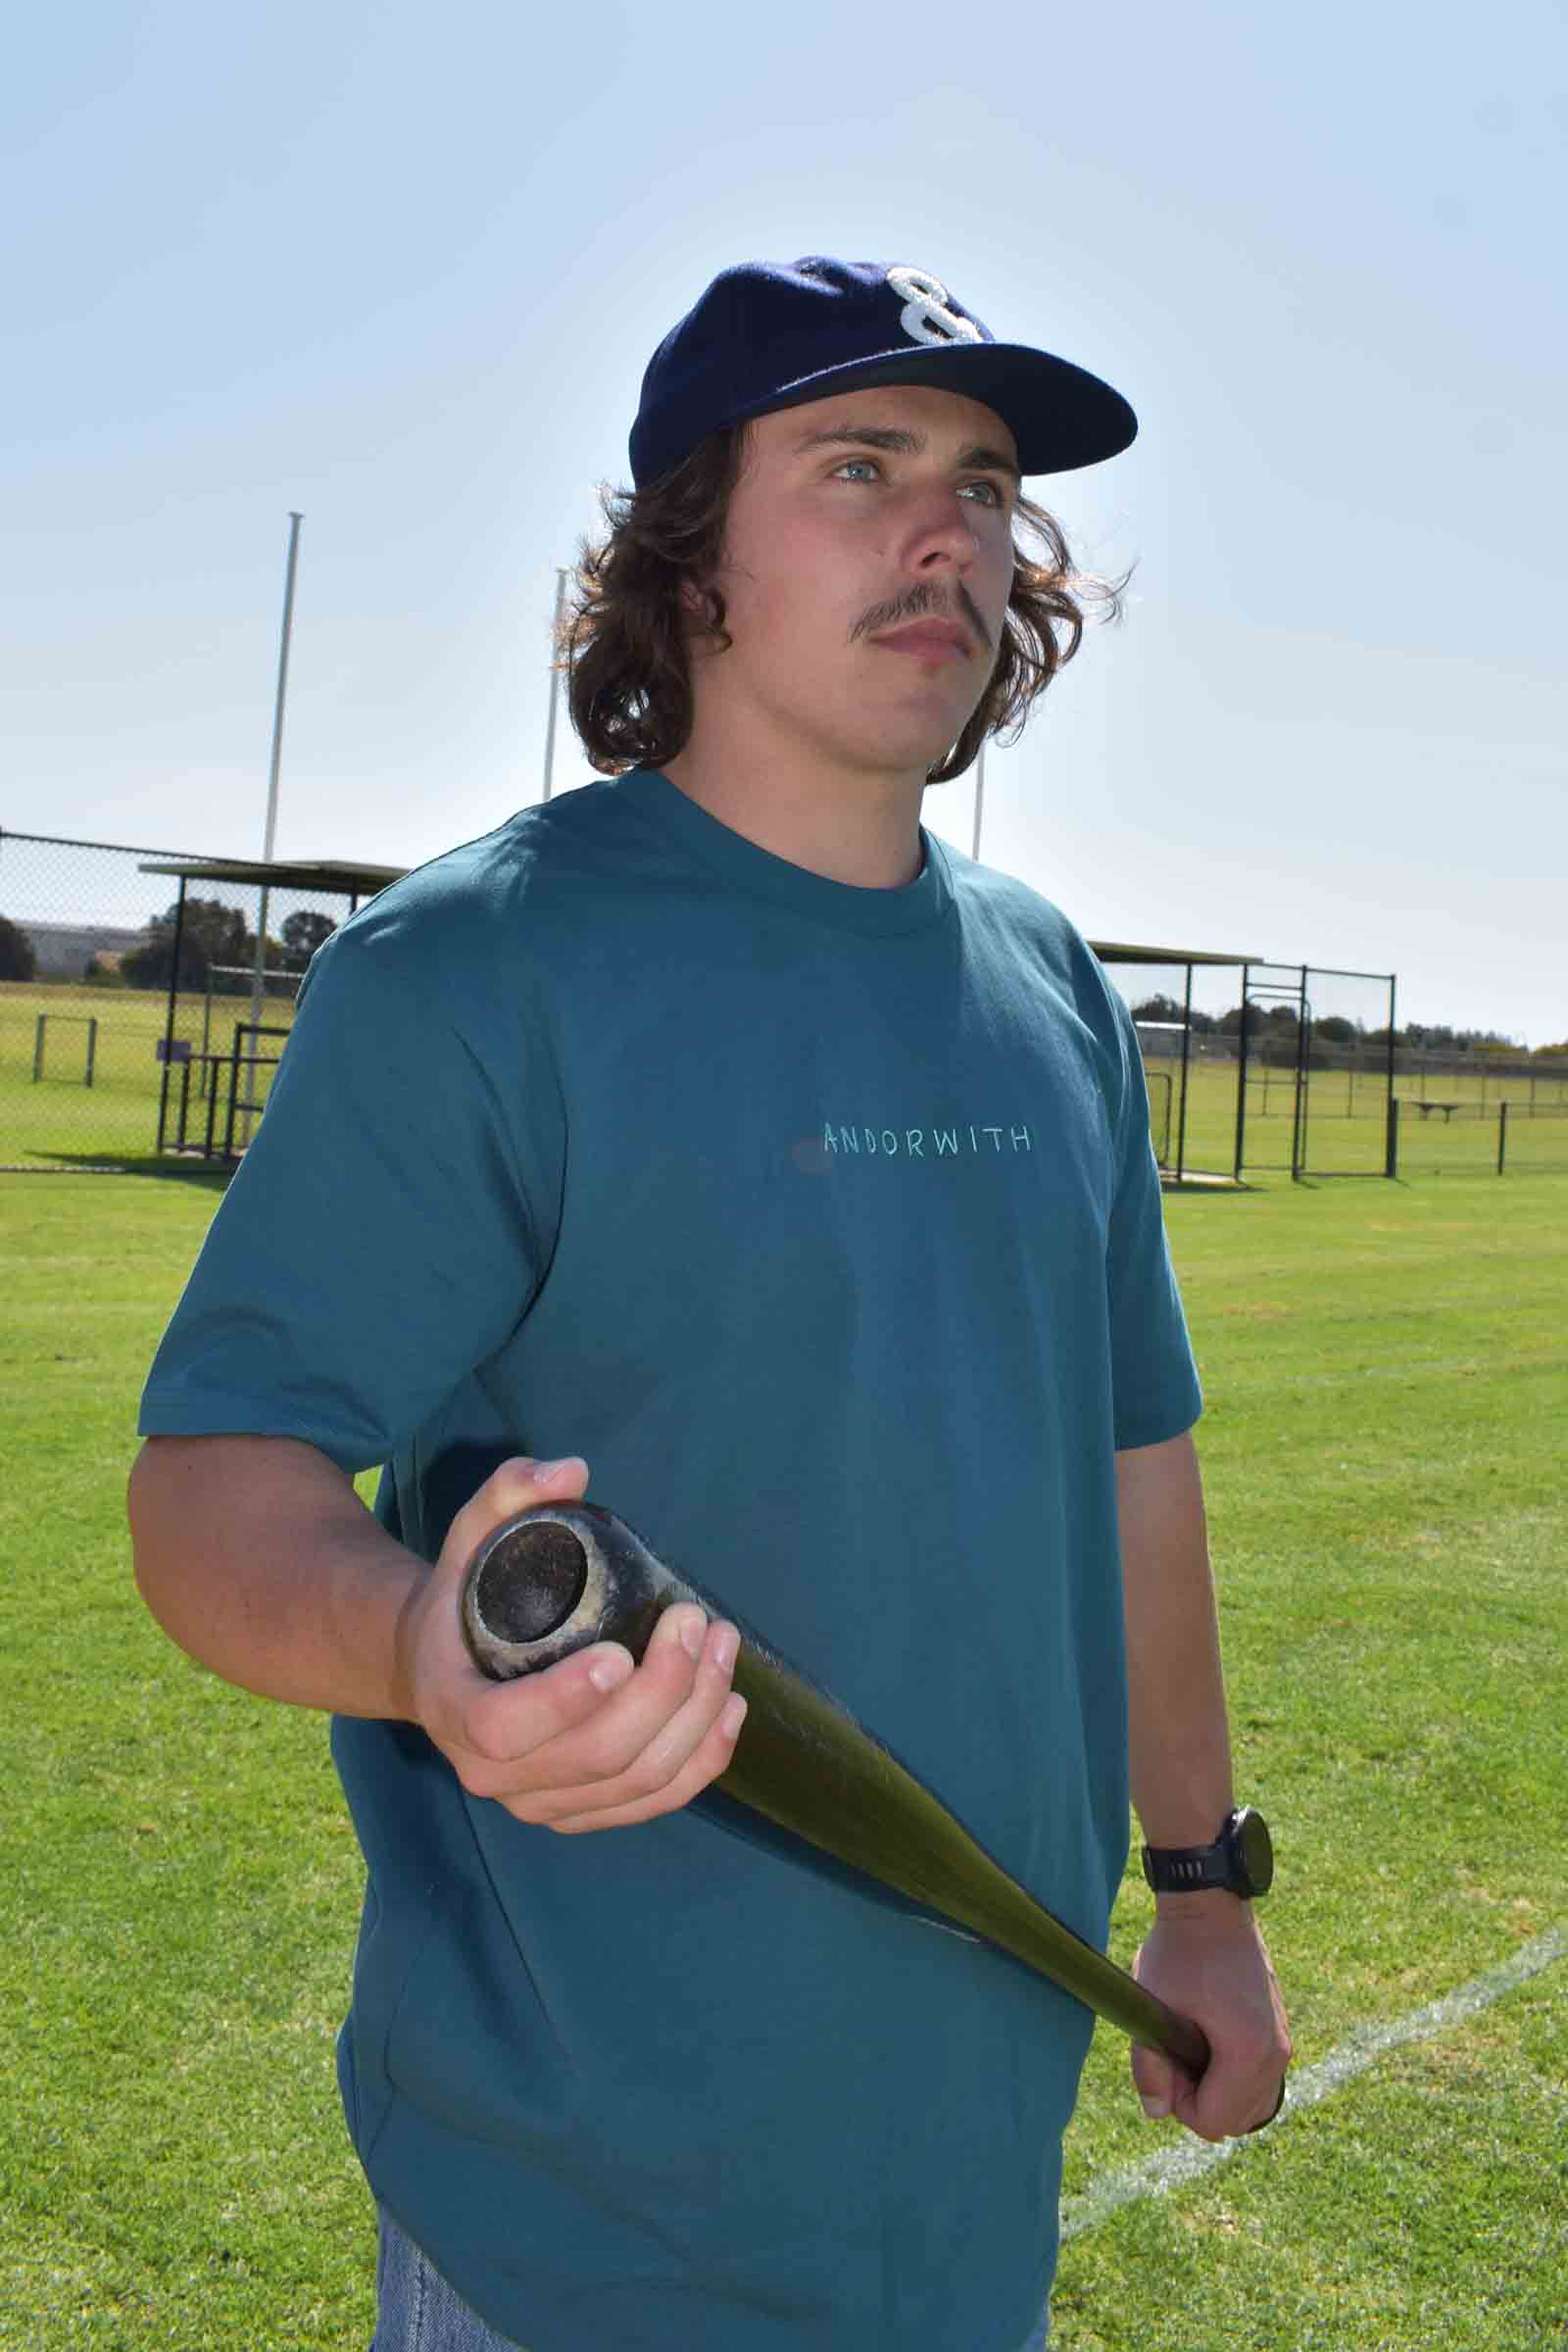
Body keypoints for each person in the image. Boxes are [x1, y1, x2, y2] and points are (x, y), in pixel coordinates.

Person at [129, 256, 1291, 2352]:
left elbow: (1135, 1468)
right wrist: (419, 1638)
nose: (947, 532)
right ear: (688, 561)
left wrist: (1201, 1891)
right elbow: (213, 1484)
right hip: (577, 2232)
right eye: (857, 468)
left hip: (960, 2201)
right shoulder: (472, 970)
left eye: (983, 481)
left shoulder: (1049, 992)